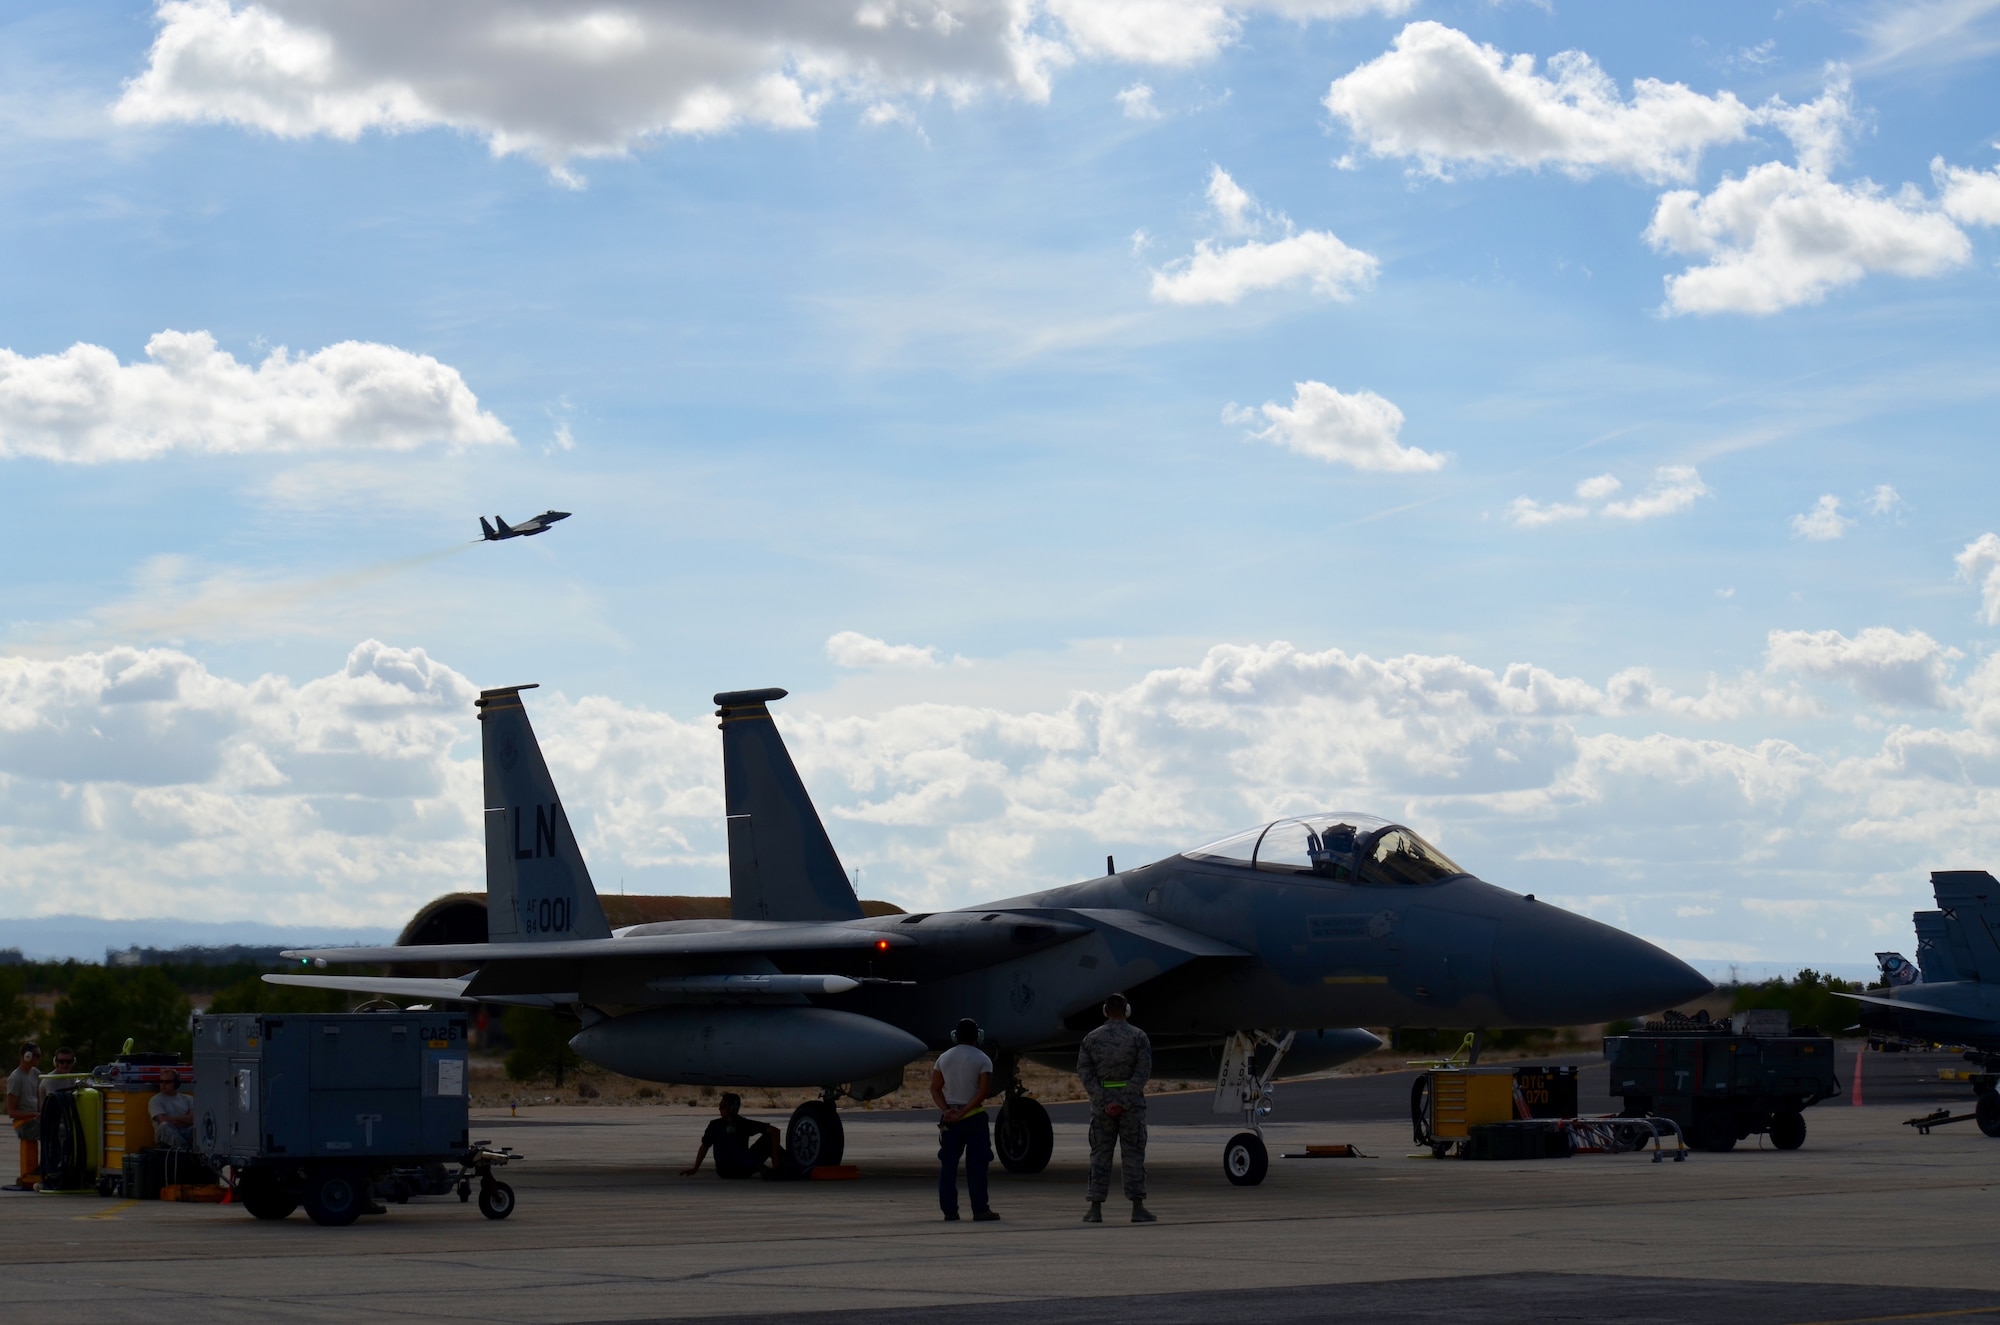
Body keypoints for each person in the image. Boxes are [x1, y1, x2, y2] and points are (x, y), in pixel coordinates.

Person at [1077, 992, 1154, 1223]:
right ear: (1126, 1010)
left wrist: (1103, 1100)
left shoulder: (1091, 1038)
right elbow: (1143, 1072)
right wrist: (1123, 1101)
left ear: (1105, 1011)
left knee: (1100, 1155)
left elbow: (1084, 1071)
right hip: (1131, 1106)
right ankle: (1137, 1208)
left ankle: (1095, 1209)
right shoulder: (1138, 1037)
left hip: (1102, 1107)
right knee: (1133, 1154)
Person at [930, 1017, 999, 1223]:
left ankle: (950, 1212)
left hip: (950, 1119)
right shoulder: (982, 1059)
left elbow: (935, 1088)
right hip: (974, 1118)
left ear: (955, 1036)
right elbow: (983, 1091)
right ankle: (980, 1210)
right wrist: (965, 1111)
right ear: (978, 1036)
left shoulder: (943, 1058)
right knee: (977, 1166)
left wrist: (947, 1111)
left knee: (948, 1166)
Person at [681, 1094, 786, 1179]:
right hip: (727, 1170)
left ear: (733, 1108)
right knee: (733, 1145)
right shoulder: (715, 1125)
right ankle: (764, 1168)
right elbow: (704, 1147)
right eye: (720, 1106)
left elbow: (774, 1131)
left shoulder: (743, 1123)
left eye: (723, 1106)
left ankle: (786, 1165)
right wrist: (695, 1168)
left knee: (769, 1139)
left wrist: (774, 1155)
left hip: (742, 1169)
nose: (719, 1109)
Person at [5, 1043, 40, 1191]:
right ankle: (42, 1170)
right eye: (36, 1056)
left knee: (61, 1128)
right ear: (27, 1056)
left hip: (35, 1120)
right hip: (23, 1123)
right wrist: (34, 1114)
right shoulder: (15, 1078)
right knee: (55, 1132)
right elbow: (12, 1112)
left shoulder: (35, 1073)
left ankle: (47, 1168)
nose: (38, 1059)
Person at [148, 1068, 195, 1150]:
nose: (163, 1084)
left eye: (167, 1082)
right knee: (164, 1126)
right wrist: (185, 1120)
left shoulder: (188, 1099)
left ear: (176, 1083)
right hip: (166, 1138)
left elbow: (193, 1119)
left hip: (185, 1132)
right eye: (161, 1081)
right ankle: (184, 1151)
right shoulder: (155, 1100)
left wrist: (173, 1120)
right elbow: (162, 1120)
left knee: (198, 1127)